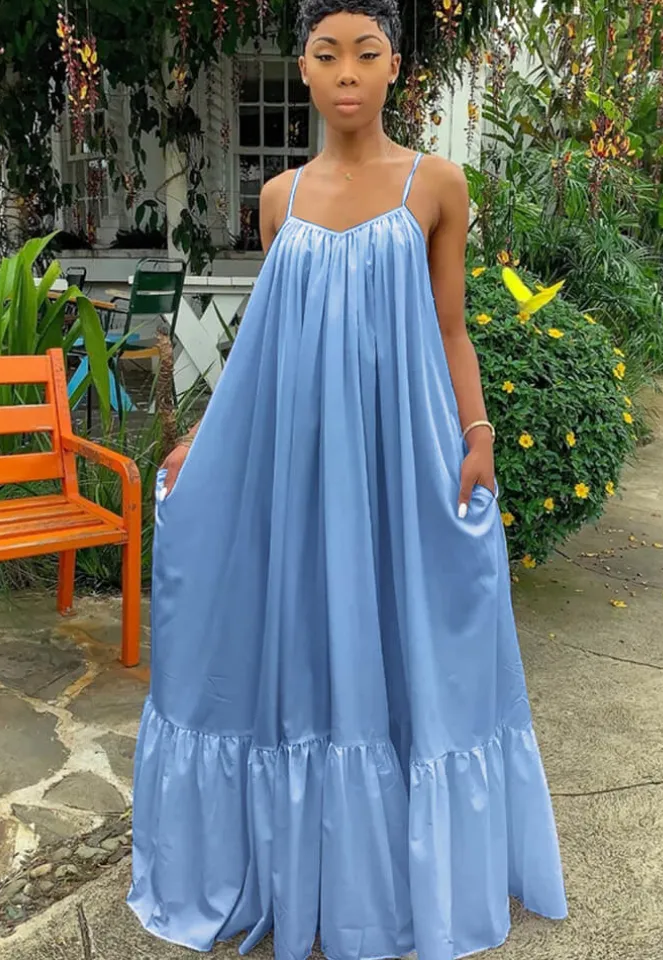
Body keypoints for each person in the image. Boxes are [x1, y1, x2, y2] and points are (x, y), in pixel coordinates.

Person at [127, 0, 567, 956]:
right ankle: (306, 867)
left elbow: (450, 327)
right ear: (305, 69)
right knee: (309, 637)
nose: (347, 73)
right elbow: (268, 342)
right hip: (301, 460)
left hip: (401, 454)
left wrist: (478, 433)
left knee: (409, 636)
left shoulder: (435, 183)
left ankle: (404, 874)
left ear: (394, 65)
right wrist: (204, 437)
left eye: (366, 53)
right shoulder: (280, 198)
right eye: (327, 55)